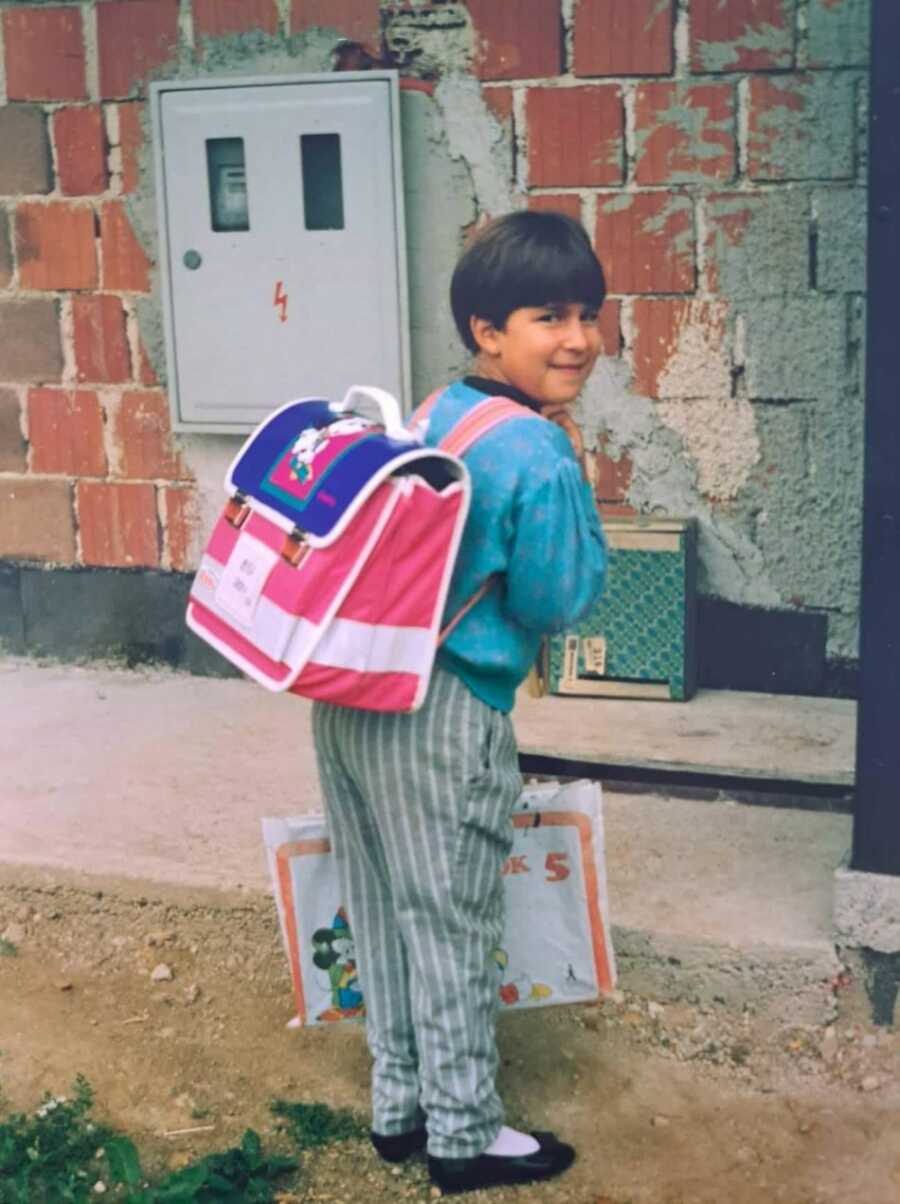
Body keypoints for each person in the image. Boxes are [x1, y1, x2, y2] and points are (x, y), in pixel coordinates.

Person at [312, 209, 608, 1194]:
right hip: (441, 712)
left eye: (588, 314)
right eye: (547, 316)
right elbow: (557, 596)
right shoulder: (536, 450)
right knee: (446, 919)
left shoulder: (440, 410)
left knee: (382, 903)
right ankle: (465, 1132)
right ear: (488, 329)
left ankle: (400, 1104)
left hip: (352, 689)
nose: (577, 338)